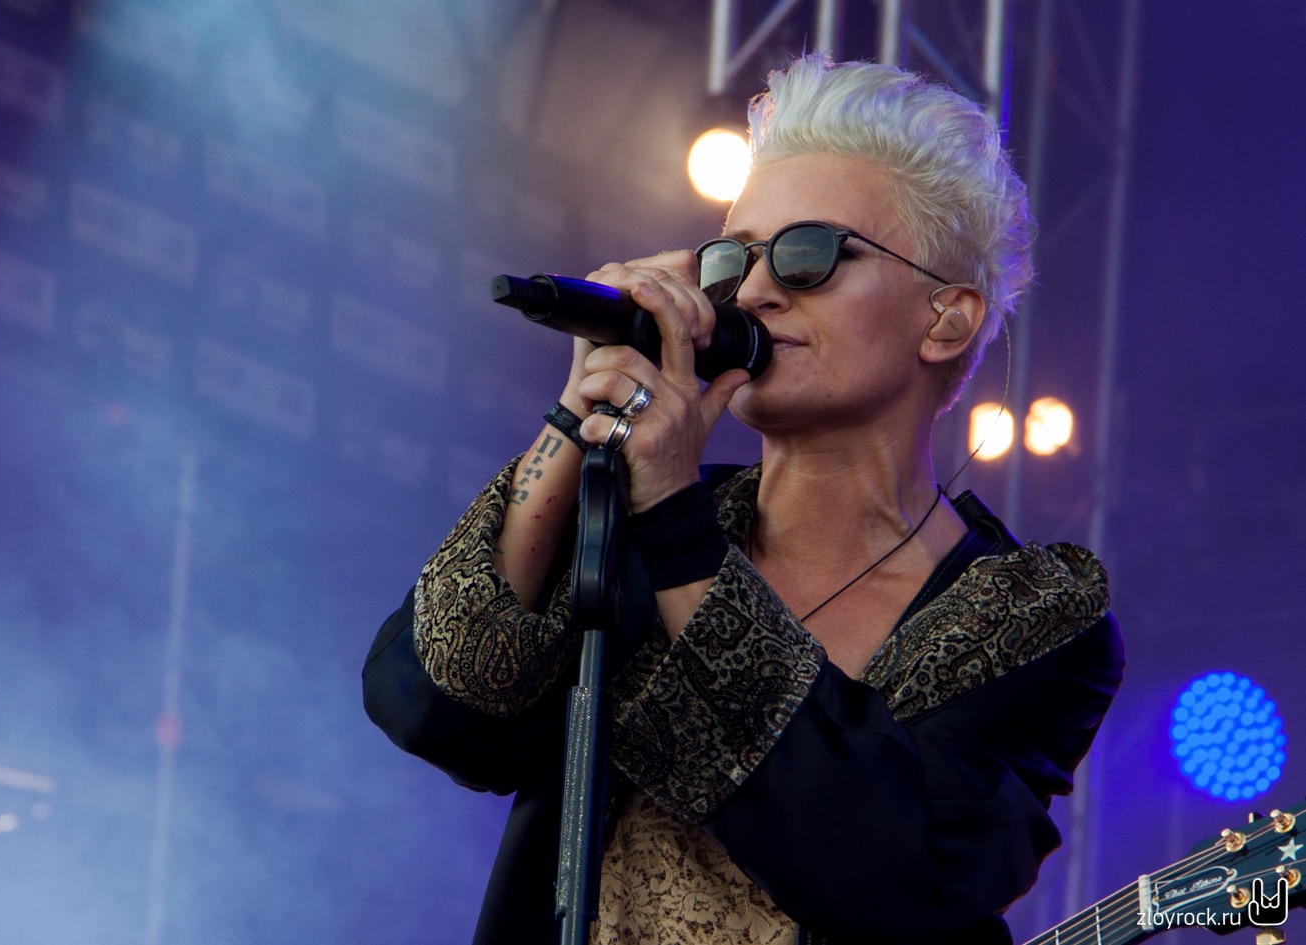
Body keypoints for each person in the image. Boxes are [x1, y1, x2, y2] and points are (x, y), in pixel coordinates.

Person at [363, 55, 1124, 945]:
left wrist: (677, 527)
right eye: (735, 258)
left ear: (944, 318)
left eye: (808, 255)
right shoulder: (631, 522)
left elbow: (894, 873)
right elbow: (436, 707)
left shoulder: (1030, 620)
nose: (755, 292)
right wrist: (577, 415)